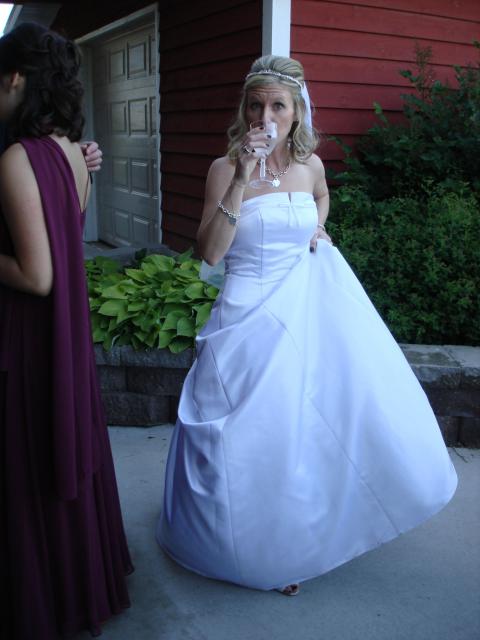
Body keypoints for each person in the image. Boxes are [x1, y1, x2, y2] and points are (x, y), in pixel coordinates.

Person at [156, 55, 458, 596]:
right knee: (247, 434)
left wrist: (315, 229)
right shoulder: (224, 169)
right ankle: (239, 545)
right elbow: (210, 253)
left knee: (298, 430)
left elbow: (321, 196)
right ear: (245, 110)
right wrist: (242, 178)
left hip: (302, 306)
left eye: (278, 105)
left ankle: (292, 543)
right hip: (245, 315)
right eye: (256, 105)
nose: (265, 116)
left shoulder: (310, 166)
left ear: (297, 112)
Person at [0, 22, 133, 638]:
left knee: (25, 460)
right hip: (62, 335)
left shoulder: (17, 159)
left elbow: (36, 275)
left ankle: (37, 598)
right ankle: (73, 585)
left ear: (15, 79)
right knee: (54, 448)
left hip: (28, 336)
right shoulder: (73, 154)